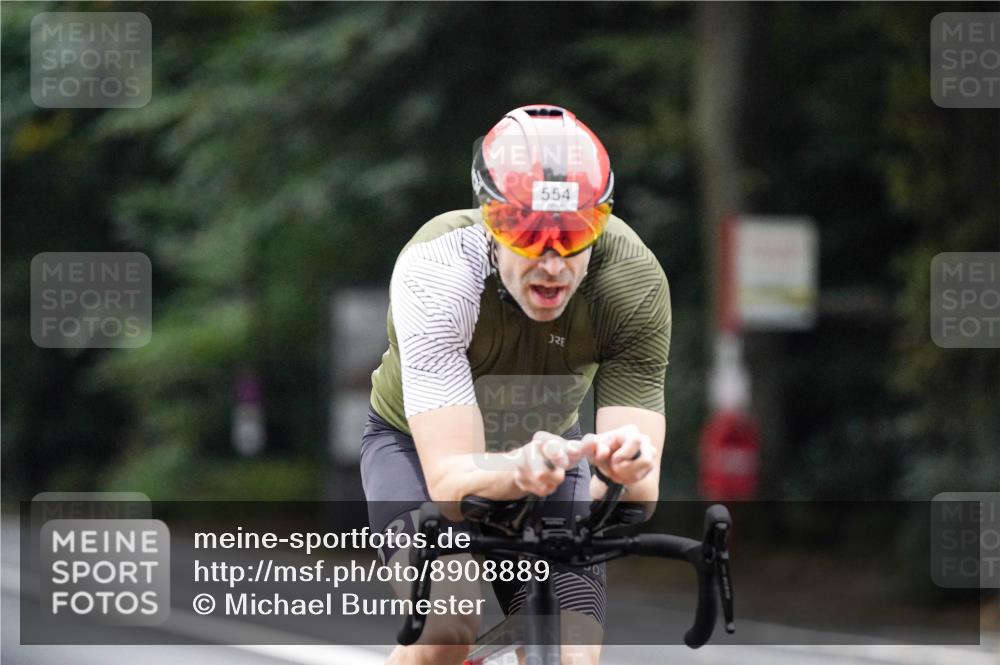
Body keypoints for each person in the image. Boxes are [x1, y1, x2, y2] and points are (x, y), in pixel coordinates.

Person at [361, 104, 671, 665]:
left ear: (600, 223)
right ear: (489, 220)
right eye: (526, 233)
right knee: (447, 629)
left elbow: (637, 496)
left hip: (551, 455)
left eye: (574, 232)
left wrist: (616, 469)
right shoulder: (438, 269)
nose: (551, 262)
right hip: (417, 448)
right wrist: (518, 471)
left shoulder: (630, 281)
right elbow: (452, 485)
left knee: (570, 652)